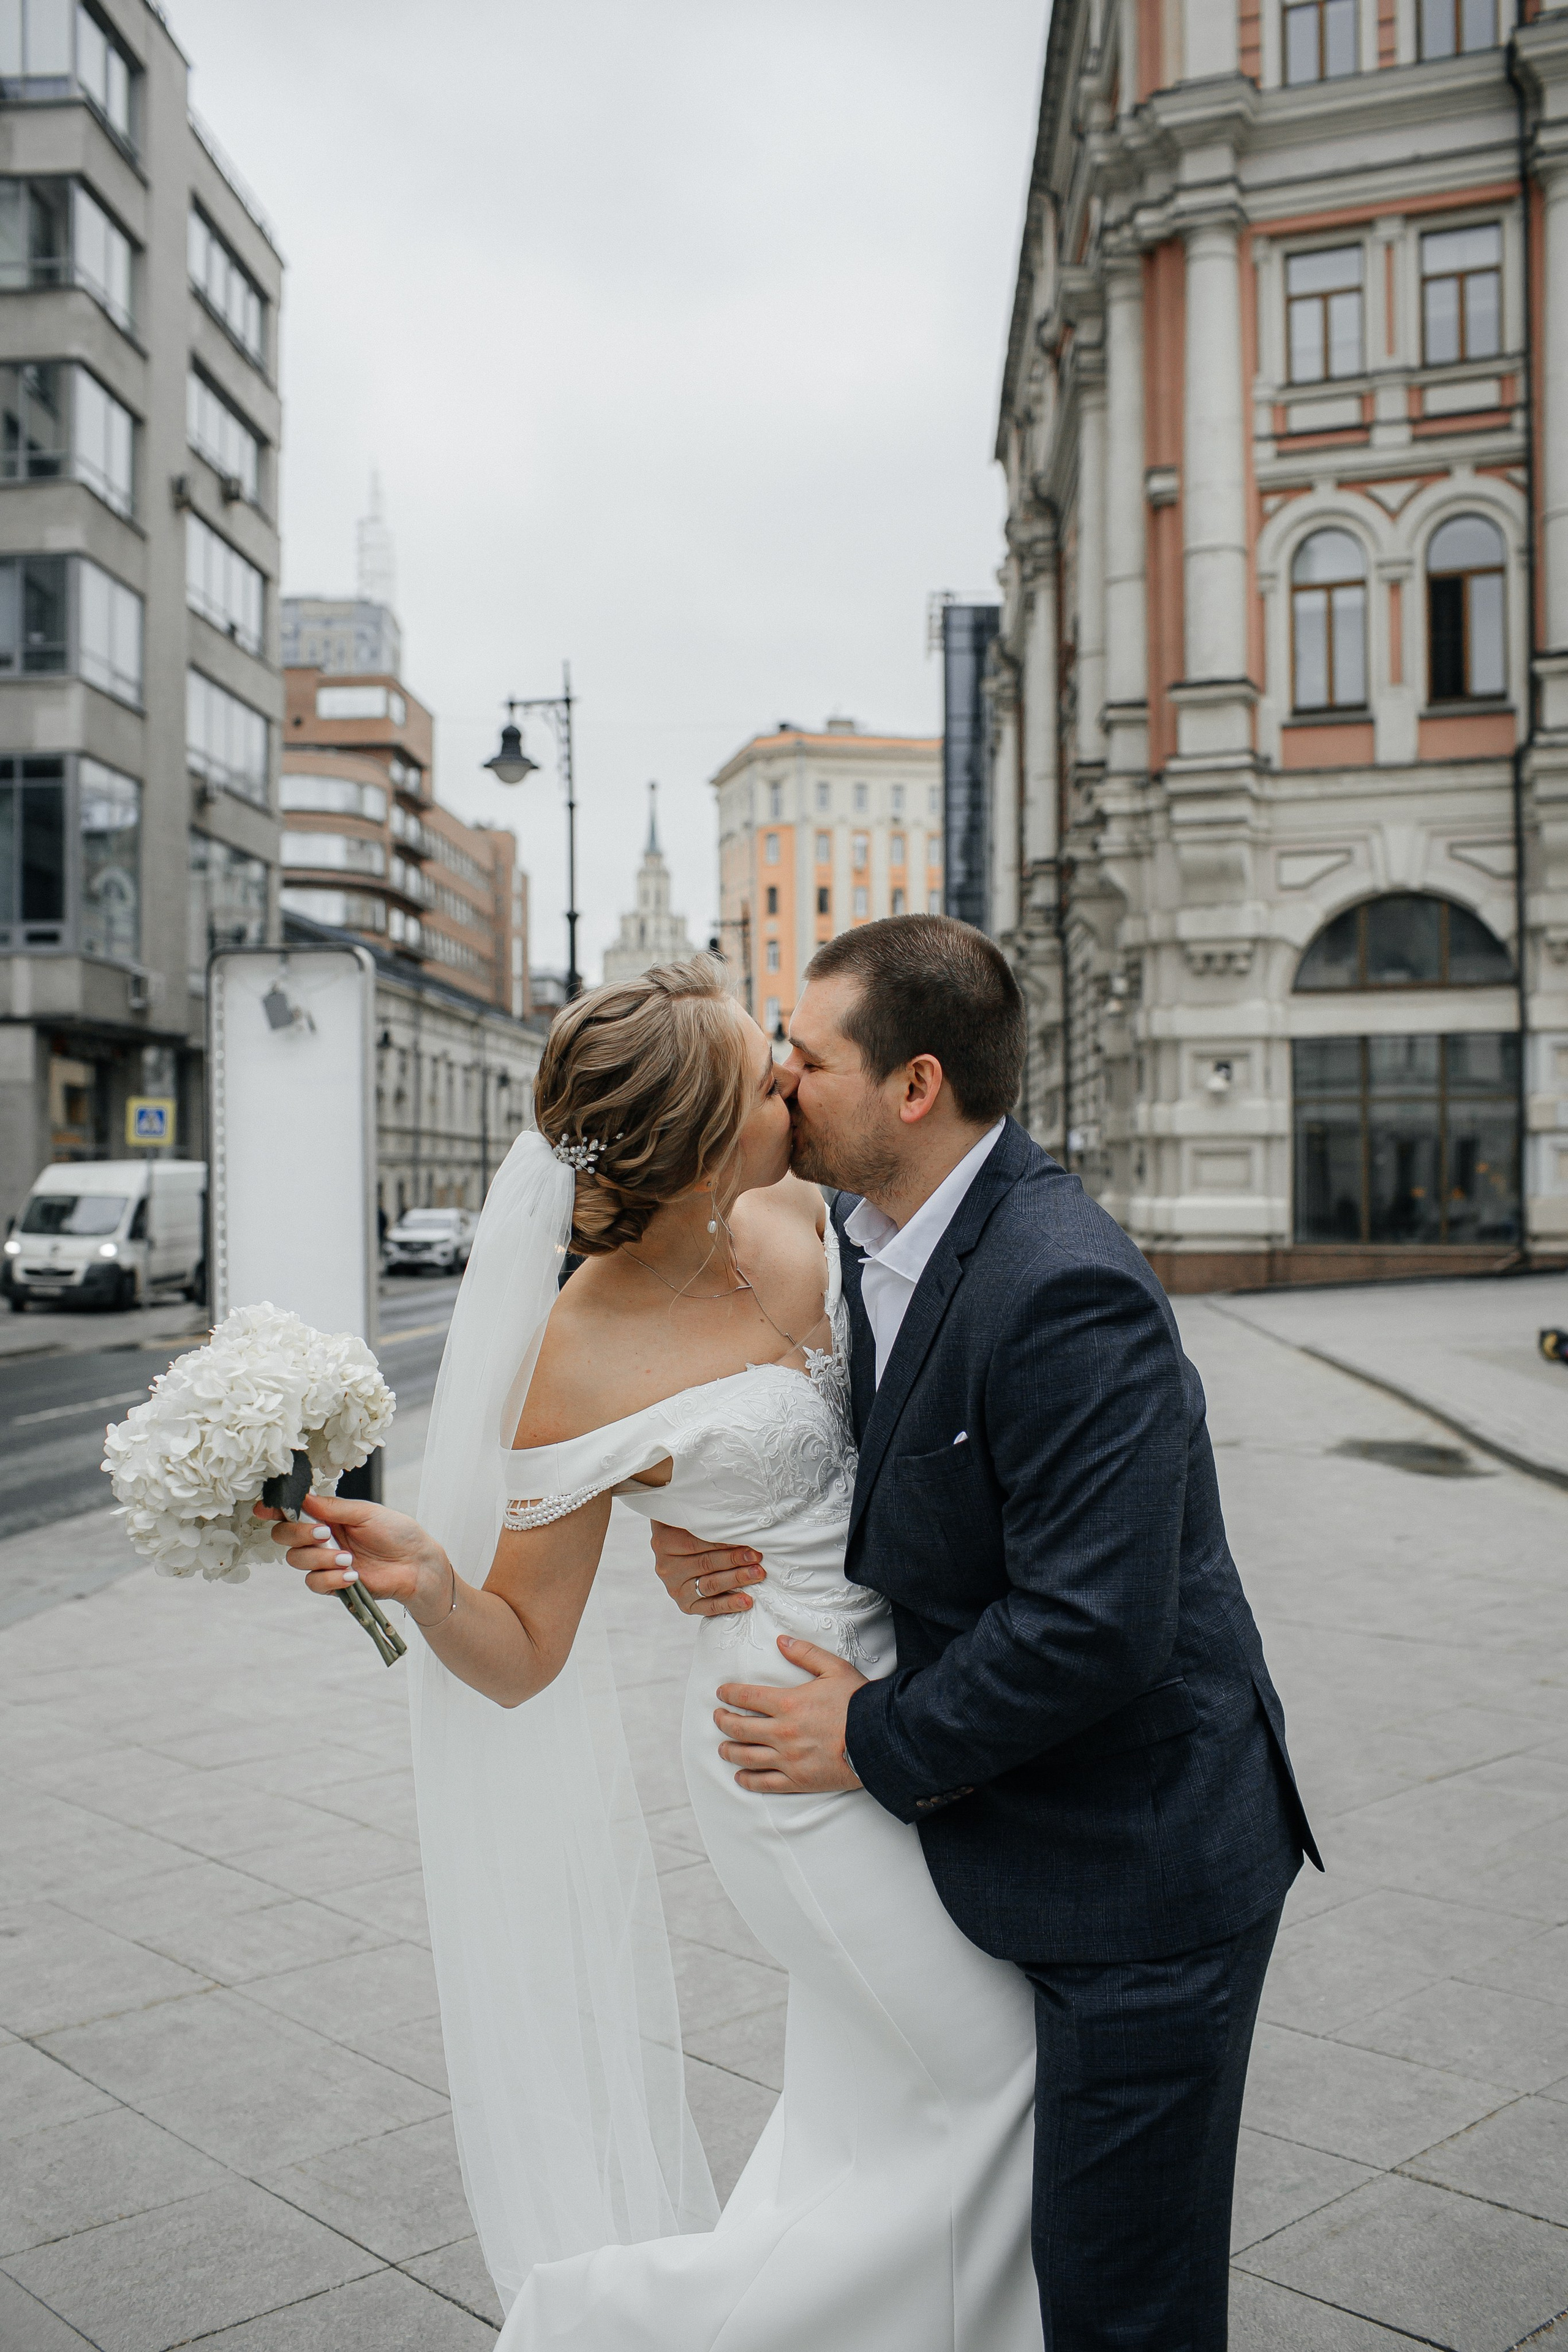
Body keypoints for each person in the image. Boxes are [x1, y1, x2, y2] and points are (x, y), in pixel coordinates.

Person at [260, 952, 1044, 2348]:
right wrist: (436, 1580)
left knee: (875, 2107)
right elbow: (521, 1652)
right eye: (766, 1074)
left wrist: (717, 1518)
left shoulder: (806, 1200)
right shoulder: (576, 1350)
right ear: (695, 1149)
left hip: (918, 1699)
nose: (792, 1080)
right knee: (995, 2070)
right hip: (783, 1748)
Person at [647, 914, 1320, 2350]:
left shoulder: (1062, 1286)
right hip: (1017, 1833)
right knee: (1024, 2256)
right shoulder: (861, 1226)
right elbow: (840, 1453)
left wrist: (866, 1736)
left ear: (913, 1087)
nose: (776, 1079)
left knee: (1117, 2299)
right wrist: (698, 1513)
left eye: (804, 1057)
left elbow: (1096, 1627)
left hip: (1141, 1868)